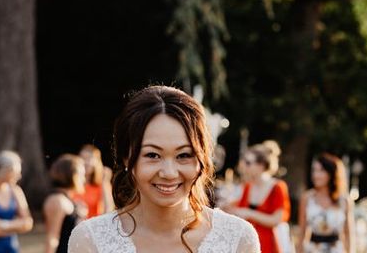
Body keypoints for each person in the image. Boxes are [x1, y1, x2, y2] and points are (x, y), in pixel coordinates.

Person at [67, 85, 260, 253]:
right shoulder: (90, 240)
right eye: (153, 155)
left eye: (183, 155)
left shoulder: (238, 238)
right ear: (127, 158)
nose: (169, 173)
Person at [226, 141, 291, 253]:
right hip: (247, 244)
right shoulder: (247, 186)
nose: (243, 166)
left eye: (248, 163)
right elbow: (238, 212)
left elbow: (276, 220)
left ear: (261, 165)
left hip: (268, 245)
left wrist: (249, 213)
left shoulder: (277, 187)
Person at [296, 153, 353, 253]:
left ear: (331, 173)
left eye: (321, 171)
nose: (315, 175)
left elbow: (348, 234)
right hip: (313, 250)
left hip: (336, 250)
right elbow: (302, 233)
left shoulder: (344, 201)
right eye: (314, 170)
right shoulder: (307, 198)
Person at [44, 154, 87, 253]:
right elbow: (52, 239)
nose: (83, 179)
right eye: (81, 175)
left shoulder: (68, 199)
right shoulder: (57, 200)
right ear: (72, 175)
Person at [77, 145, 113, 218]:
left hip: (92, 226)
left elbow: (108, 210)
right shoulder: (73, 185)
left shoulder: (101, 185)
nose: (85, 162)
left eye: (89, 158)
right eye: (83, 158)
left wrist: (105, 182)